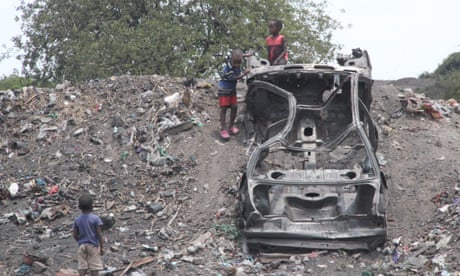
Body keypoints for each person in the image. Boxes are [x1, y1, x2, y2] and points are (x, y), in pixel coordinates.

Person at [217, 49, 250, 140]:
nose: (237, 65)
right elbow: (234, 78)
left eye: (239, 63)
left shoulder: (237, 59)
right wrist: (244, 73)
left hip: (232, 90)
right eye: (236, 63)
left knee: (234, 107)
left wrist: (245, 55)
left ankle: (231, 127)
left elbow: (239, 55)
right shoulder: (229, 68)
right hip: (224, 89)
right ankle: (223, 129)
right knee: (224, 108)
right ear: (231, 60)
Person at [73, 193, 104, 276]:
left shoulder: (77, 219)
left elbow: (74, 234)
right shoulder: (95, 218)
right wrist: (102, 247)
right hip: (92, 245)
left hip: (82, 246)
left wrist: (80, 241)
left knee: (82, 267)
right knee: (94, 267)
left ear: (79, 207)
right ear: (92, 206)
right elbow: (99, 234)